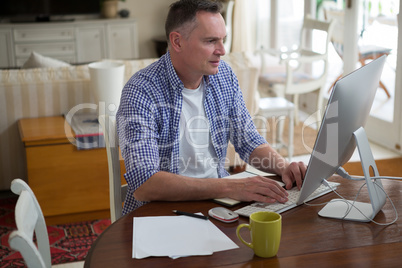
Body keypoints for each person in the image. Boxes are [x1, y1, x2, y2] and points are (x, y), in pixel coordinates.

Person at [116, 0, 306, 215]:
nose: (223, 50)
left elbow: (248, 140)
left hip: (219, 205)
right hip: (160, 213)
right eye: (211, 41)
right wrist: (230, 186)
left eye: (223, 39)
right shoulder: (140, 91)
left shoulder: (223, 75)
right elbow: (144, 184)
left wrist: (283, 167)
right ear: (177, 42)